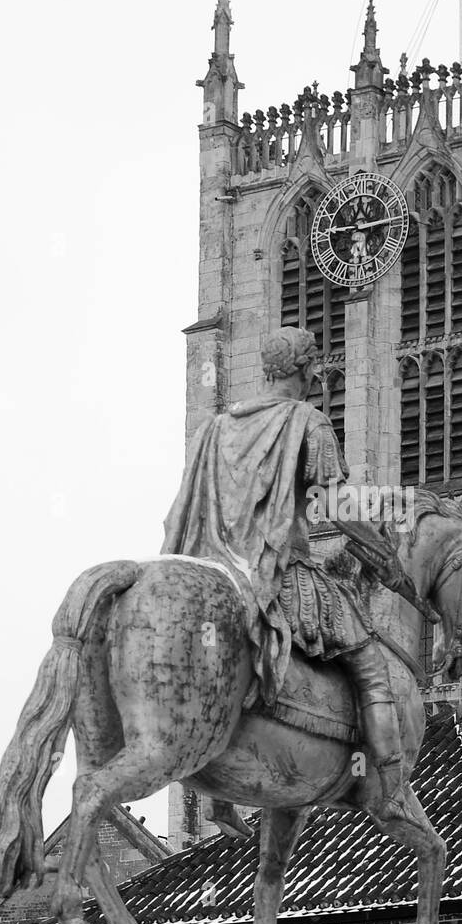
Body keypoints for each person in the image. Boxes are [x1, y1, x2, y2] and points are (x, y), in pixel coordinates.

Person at [162, 327, 412, 824]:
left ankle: (219, 790)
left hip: (214, 569)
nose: (316, 373)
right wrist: (381, 549)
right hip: (279, 572)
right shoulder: (308, 423)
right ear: (305, 369)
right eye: (313, 365)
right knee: (370, 664)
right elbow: (336, 506)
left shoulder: (215, 427)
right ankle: (390, 778)